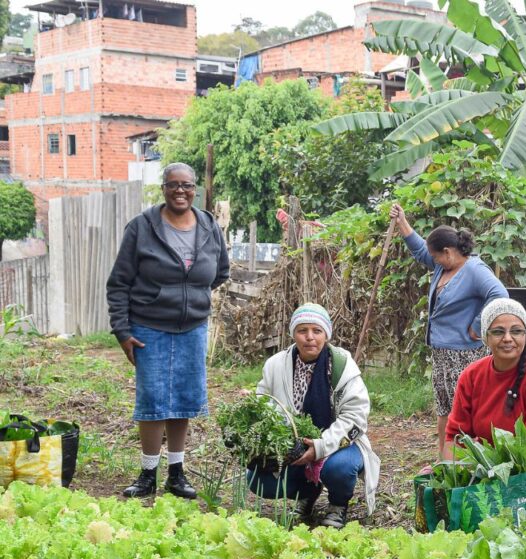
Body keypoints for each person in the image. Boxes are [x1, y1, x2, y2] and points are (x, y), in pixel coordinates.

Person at [106, 162, 230, 499]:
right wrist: (122, 330)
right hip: (149, 327)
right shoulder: (142, 228)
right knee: (153, 401)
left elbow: (220, 272)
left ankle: (176, 473)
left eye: (187, 185)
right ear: (163, 188)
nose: (180, 191)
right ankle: (148, 473)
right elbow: (118, 284)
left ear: (194, 189)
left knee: (184, 401)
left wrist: (193, 297)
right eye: (173, 184)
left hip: (192, 328)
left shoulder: (208, 225)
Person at [248, 303, 381, 528]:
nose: (310, 337)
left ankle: (338, 505)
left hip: (339, 444)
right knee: (258, 478)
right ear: (293, 334)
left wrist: (320, 447)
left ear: (326, 335)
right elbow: (264, 404)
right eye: (302, 331)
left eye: (317, 331)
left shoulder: (341, 365)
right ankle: (307, 493)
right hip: (294, 446)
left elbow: (356, 417)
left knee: (340, 469)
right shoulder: (275, 366)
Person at [390, 203, 508, 454]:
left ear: (448, 251)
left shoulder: (474, 270)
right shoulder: (444, 266)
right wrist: (402, 223)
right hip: (442, 353)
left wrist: (478, 326)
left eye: (436, 257)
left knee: (463, 410)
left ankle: (467, 460)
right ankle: (444, 460)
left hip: (464, 354)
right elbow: (422, 250)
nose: (432, 261)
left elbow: (500, 295)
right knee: (444, 407)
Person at [444, 298, 526, 508]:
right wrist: (452, 475)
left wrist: (495, 474)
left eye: (516, 331)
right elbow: (454, 436)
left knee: (512, 491)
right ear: (485, 337)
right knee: (432, 482)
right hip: (485, 468)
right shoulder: (472, 375)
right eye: (497, 332)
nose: (507, 338)